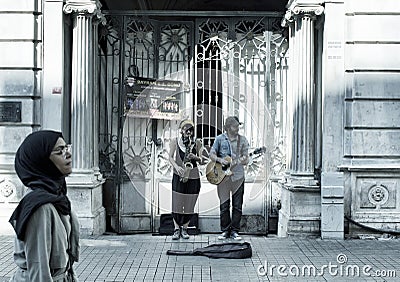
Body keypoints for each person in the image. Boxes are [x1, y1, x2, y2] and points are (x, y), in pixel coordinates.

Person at [8, 130, 79, 281]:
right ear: (42, 161)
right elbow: (39, 270)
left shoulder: (56, 196)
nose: (68, 154)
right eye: (59, 151)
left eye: (66, 148)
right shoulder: (39, 206)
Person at [209, 116, 249, 240]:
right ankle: (225, 230)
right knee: (224, 205)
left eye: (238, 126)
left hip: (238, 177)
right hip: (223, 178)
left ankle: (235, 231)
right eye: (235, 126)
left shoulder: (242, 140)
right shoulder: (220, 139)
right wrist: (221, 160)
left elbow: (246, 158)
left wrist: (242, 160)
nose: (237, 128)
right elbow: (211, 154)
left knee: (237, 206)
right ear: (228, 127)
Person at [169, 119, 202, 240]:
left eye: (190, 129)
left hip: (193, 176)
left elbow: (203, 160)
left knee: (190, 203)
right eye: (185, 129)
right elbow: (170, 157)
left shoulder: (197, 143)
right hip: (179, 175)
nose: (188, 131)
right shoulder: (175, 142)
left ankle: (185, 229)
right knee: (177, 203)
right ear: (181, 131)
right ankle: (176, 229)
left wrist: (195, 157)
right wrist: (177, 167)